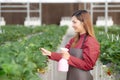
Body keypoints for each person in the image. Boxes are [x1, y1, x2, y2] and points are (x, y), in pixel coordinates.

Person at [40, 10, 100, 80]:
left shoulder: (91, 41)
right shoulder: (74, 40)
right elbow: (64, 56)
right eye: (72, 22)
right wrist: (50, 54)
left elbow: (88, 65)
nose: (72, 25)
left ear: (83, 23)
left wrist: (69, 58)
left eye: (74, 22)